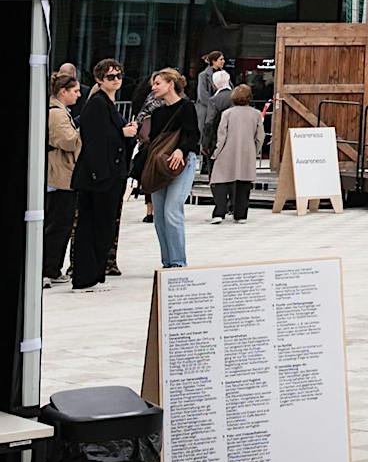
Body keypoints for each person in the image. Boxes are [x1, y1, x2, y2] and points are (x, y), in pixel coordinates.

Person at [70, 60, 135, 291]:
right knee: (93, 226)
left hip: (107, 175)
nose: (116, 80)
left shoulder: (107, 102)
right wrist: (122, 132)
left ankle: (93, 273)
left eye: (119, 75)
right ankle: (86, 275)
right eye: (110, 76)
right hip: (100, 177)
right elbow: (95, 139)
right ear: (99, 80)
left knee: (101, 226)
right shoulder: (97, 103)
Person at [135, 69, 202, 270]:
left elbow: (193, 135)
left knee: (172, 210)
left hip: (181, 162)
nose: (153, 88)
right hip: (160, 165)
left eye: (157, 83)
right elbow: (156, 141)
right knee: (160, 216)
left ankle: (178, 262)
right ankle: (168, 261)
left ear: (170, 84)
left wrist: (181, 150)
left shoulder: (187, 107)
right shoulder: (157, 113)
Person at [44, 68, 82, 285]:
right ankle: (50, 268)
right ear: (62, 91)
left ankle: (52, 266)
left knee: (60, 223)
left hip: (60, 174)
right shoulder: (57, 113)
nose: (78, 94)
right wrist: (81, 132)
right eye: (74, 90)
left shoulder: (60, 111)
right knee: (59, 224)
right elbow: (67, 141)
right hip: (59, 175)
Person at [209, 86, 265, 225]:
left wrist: (216, 152)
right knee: (244, 183)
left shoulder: (227, 113)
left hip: (227, 151)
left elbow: (221, 136)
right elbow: (260, 136)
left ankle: (219, 212)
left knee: (220, 180)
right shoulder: (256, 114)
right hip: (247, 152)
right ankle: (241, 215)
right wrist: (255, 150)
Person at [202, 68, 234, 170]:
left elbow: (209, 122)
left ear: (214, 84)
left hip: (217, 138)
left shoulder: (214, 100)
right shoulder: (237, 97)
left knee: (215, 169)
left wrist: (205, 143)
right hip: (235, 137)